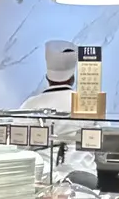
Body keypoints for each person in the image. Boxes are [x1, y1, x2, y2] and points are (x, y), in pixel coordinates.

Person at [19, 40, 97, 182]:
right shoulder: (88, 102)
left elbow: (20, 147)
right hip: (86, 176)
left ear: (47, 78)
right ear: (73, 79)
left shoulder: (30, 105)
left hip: (47, 178)